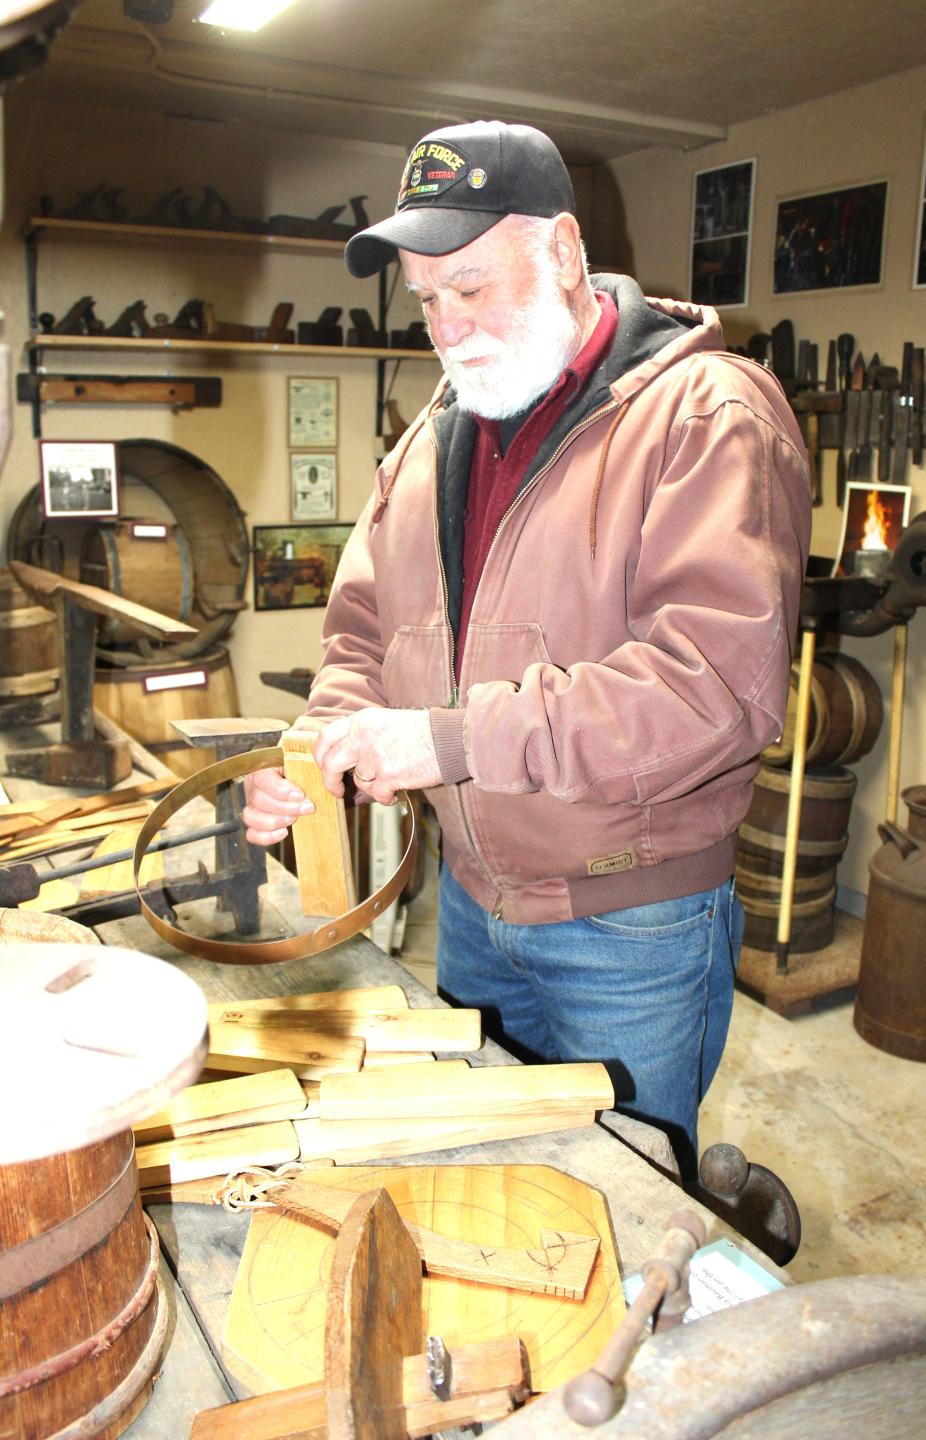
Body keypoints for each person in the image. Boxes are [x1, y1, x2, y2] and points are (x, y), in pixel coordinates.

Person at [243, 120, 811, 1179]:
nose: (448, 329)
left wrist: (449, 741)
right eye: (426, 301)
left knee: (625, 1208)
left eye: (471, 287)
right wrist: (318, 748)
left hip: (631, 922)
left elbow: (717, 689)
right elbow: (361, 635)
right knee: (495, 1191)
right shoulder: (431, 441)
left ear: (561, 253)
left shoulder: (706, 415)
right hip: (470, 910)